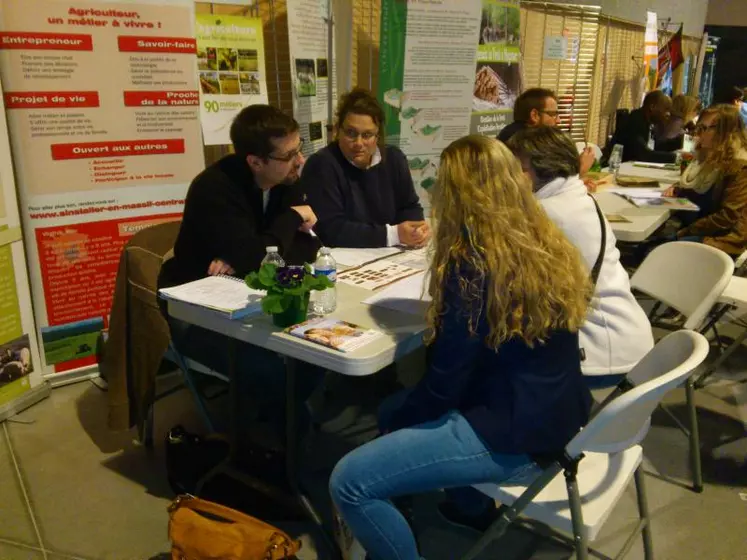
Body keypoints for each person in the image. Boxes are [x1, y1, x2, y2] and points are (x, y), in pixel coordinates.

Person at [329, 135, 593, 559]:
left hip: (516, 434)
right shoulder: (543, 239)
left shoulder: (471, 264)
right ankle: (468, 508)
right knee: (391, 410)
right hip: (559, 413)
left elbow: (445, 382)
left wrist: (404, 420)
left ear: (457, 194)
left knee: (350, 481)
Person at [158, 105, 324, 442]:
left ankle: (276, 429)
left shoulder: (285, 179)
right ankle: (275, 457)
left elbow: (307, 248)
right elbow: (259, 257)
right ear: (255, 161)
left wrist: (258, 251)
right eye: (289, 154)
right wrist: (290, 219)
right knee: (273, 370)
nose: (300, 161)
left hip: (251, 297)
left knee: (317, 353)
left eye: (299, 149)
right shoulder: (214, 188)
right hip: (195, 308)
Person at [508, 126, 654, 381]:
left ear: (544, 168)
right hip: (627, 335)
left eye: (516, 169)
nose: (508, 179)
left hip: (600, 351)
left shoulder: (546, 213)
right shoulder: (575, 197)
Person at [303, 88, 428, 248]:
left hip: (390, 256)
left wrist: (417, 230)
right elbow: (331, 229)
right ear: (337, 130)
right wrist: (393, 235)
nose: (358, 143)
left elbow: (409, 206)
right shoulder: (321, 165)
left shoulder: (394, 159)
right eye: (351, 133)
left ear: (378, 136)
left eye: (367, 135)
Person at [663, 104, 747, 257]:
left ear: (724, 132)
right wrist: (678, 188)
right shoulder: (711, 156)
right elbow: (698, 188)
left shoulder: (740, 166)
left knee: (655, 252)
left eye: (703, 128)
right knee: (650, 247)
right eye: (698, 127)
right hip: (700, 229)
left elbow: (727, 218)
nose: (697, 134)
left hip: (722, 240)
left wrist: (685, 232)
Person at [498, 88, 595, 174]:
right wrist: (581, 169)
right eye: (553, 114)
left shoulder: (512, 131)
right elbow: (544, 188)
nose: (558, 120)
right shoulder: (524, 143)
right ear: (535, 115)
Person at [603, 90, 676, 164]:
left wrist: (679, 142)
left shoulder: (647, 121)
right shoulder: (635, 122)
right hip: (616, 168)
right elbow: (644, 155)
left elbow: (656, 146)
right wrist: (676, 158)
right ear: (652, 107)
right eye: (666, 109)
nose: (668, 114)